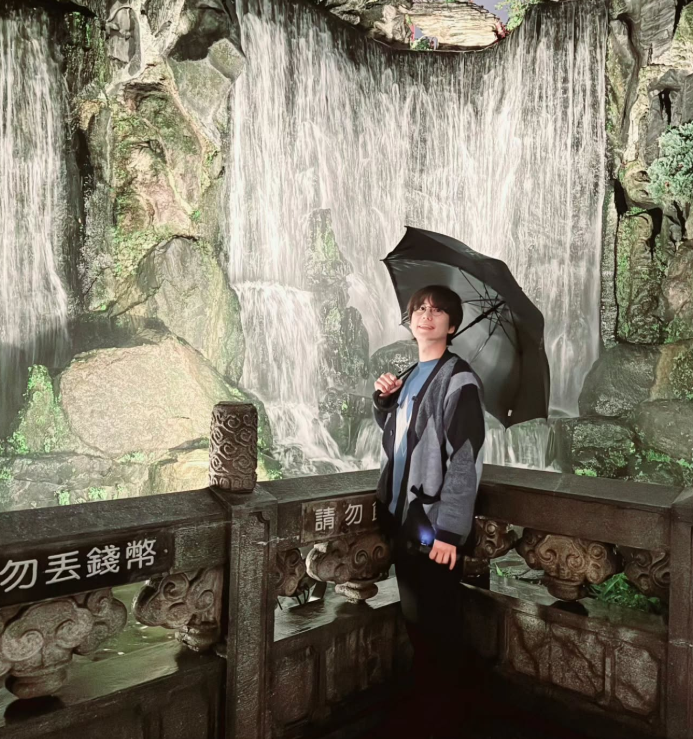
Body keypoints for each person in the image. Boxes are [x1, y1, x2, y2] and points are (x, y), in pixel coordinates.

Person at [373, 284, 486, 737]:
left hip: (433, 528)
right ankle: (431, 711)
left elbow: (465, 458)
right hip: (406, 520)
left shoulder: (459, 380)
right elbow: (400, 438)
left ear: (452, 325)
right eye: (420, 308)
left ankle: (444, 718)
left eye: (438, 311)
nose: (427, 315)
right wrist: (385, 403)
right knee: (417, 621)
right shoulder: (412, 374)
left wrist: (450, 532)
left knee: (437, 625)